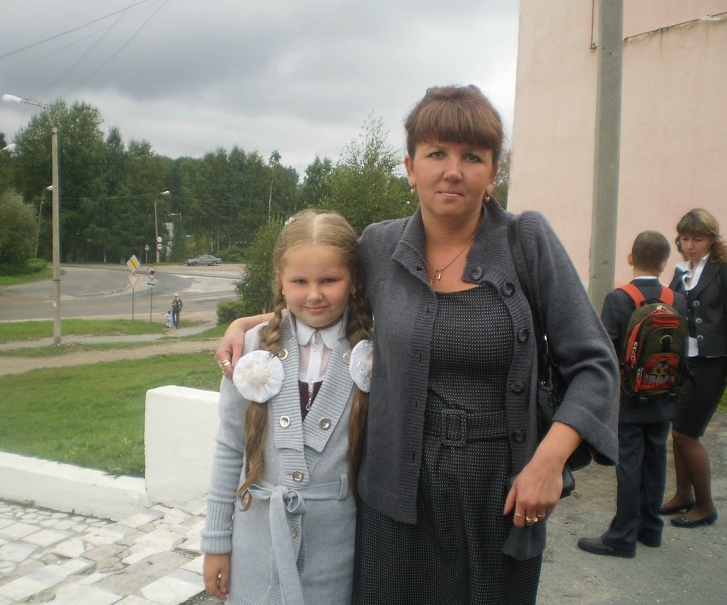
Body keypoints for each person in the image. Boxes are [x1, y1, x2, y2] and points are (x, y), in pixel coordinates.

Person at [217, 85, 618, 604]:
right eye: (436, 154)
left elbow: (594, 364)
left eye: (472, 157)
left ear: (493, 172)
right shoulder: (380, 246)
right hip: (393, 496)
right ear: (410, 167)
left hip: (497, 495)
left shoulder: (527, 241)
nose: (453, 171)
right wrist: (247, 326)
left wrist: (548, 462)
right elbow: (322, 296)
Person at [201, 210, 373, 604]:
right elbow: (230, 447)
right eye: (299, 281)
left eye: (329, 280)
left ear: (354, 281)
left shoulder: (371, 355)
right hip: (255, 548)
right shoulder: (252, 348)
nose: (314, 294)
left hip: (336, 554)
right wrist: (216, 542)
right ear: (280, 280)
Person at [578, 231, 686, 558]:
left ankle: (622, 536)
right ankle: (651, 529)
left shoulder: (619, 299)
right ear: (664, 263)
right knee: (656, 461)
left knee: (629, 464)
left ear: (630, 258)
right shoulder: (676, 299)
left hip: (630, 397)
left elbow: (605, 349)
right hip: (664, 392)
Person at [660, 208, 727, 528]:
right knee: (678, 430)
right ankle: (682, 495)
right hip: (683, 360)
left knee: (686, 432)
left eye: (697, 239)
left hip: (712, 362)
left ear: (711, 239)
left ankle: (705, 505)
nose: (690, 245)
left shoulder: (722, 270)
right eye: (685, 238)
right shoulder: (681, 272)